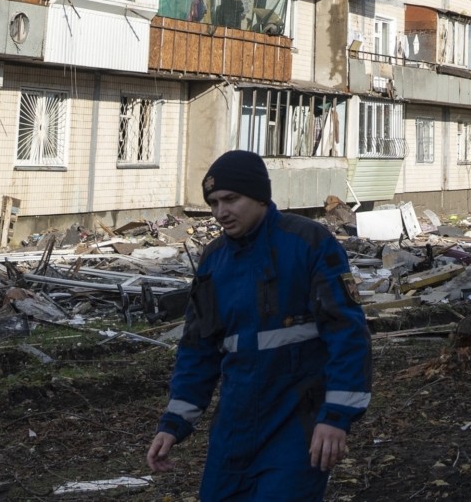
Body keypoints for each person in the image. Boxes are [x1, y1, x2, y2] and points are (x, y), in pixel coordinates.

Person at [148, 150, 372, 500]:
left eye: (231, 199)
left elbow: (347, 334)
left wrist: (336, 417)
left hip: (296, 423)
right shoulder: (214, 260)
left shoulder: (308, 242)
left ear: (260, 196)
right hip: (234, 426)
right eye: (213, 203)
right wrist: (173, 424)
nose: (220, 212)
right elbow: (198, 349)